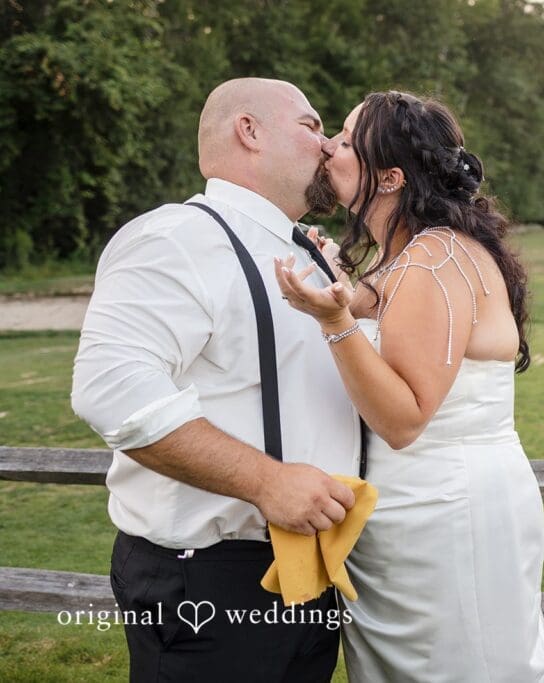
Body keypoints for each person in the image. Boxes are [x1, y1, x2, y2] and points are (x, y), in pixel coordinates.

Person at [71, 78, 360, 682]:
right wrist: (266, 481)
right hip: (210, 579)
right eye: (310, 125)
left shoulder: (304, 252)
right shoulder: (177, 238)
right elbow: (113, 391)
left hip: (311, 572)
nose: (328, 144)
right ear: (248, 131)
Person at [275, 90, 544, 682]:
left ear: (390, 177)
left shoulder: (432, 262)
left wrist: (334, 321)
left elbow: (404, 420)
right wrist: (338, 283)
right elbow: (382, 313)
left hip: (443, 509)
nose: (328, 147)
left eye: (346, 141)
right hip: (416, 506)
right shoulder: (413, 256)